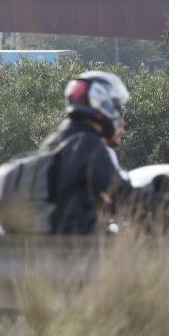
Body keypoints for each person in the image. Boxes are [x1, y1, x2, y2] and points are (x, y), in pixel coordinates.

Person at [40, 70, 130, 235]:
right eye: (115, 107)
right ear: (101, 105)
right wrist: (168, 205)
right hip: (77, 246)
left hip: (51, 242)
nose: (118, 115)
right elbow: (122, 193)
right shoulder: (88, 144)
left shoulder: (55, 140)